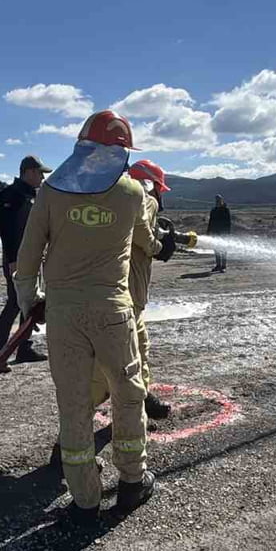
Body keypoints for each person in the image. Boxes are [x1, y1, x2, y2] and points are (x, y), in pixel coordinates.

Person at [14, 110, 167, 523]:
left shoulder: (50, 193)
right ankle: (133, 483)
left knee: (74, 404)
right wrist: (165, 243)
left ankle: (84, 499)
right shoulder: (132, 194)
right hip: (114, 313)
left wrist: (32, 303)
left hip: (63, 315)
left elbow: (26, 261)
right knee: (128, 394)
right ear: (120, 151)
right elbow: (148, 244)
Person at [91, 160, 195, 420]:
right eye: (161, 188)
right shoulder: (146, 199)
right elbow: (144, 237)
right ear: (155, 185)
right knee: (116, 362)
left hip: (111, 290)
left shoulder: (115, 199)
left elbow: (142, 229)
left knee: (138, 349)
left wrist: (171, 238)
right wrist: (161, 248)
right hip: (127, 294)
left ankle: (143, 398)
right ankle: (76, 427)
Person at [0, 155, 52, 368]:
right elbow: (7, 232)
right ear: (30, 172)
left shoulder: (31, 196)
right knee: (14, 304)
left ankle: (24, 348)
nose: (43, 178)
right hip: (17, 260)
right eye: (40, 173)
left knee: (30, 304)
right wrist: (14, 261)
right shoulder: (11, 195)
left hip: (31, 258)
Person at [207, 194, 232, 272]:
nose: (217, 201)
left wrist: (227, 233)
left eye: (219, 200)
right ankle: (218, 265)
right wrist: (208, 232)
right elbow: (210, 222)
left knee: (223, 249)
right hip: (215, 232)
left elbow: (228, 222)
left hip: (223, 233)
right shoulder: (213, 210)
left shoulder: (225, 210)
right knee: (216, 249)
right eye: (216, 200)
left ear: (222, 200)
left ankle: (223, 266)